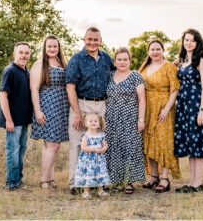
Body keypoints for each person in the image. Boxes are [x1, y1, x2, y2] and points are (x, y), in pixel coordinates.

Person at [65, 27, 114, 195]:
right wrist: (77, 113)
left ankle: (99, 181)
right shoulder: (76, 60)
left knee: (100, 143)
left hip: (101, 106)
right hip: (81, 104)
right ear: (84, 40)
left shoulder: (107, 59)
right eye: (89, 39)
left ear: (101, 40)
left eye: (96, 39)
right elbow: (70, 87)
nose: (92, 42)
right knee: (77, 145)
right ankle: (75, 183)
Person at [174, 29, 203, 193]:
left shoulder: (202, 62)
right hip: (183, 107)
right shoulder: (182, 61)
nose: (188, 43)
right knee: (191, 145)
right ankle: (191, 182)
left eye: (191, 40)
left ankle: (198, 183)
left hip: (196, 106)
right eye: (186, 40)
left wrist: (201, 110)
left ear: (197, 43)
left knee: (199, 144)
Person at [139, 40, 180, 193]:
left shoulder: (169, 67)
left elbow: (174, 89)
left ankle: (165, 178)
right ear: (148, 52)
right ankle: (154, 176)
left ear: (163, 50)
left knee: (163, 142)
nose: (155, 52)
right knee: (150, 142)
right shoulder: (144, 68)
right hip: (147, 109)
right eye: (152, 49)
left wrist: (167, 108)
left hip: (163, 109)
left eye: (158, 49)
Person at [30, 35, 69, 189]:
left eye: (55, 46)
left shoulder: (62, 63)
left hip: (61, 108)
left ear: (59, 48)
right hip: (47, 107)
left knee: (54, 146)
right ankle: (43, 180)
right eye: (49, 47)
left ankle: (51, 178)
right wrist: (38, 111)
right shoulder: (40, 64)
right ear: (44, 48)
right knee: (51, 145)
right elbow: (34, 89)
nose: (52, 49)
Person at [105, 47, 146, 194]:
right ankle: (116, 181)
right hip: (112, 118)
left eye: (125, 59)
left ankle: (129, 182)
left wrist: (141, 120)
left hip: (130, 119)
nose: (122, 62)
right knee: (114, 148)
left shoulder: (135, 76)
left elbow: (142, 99)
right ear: (115, 61)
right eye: (119, 59)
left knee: (130, 148)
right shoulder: (109, 76)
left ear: (130, 61)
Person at [0, 42, 33, 191]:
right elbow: (3, 96)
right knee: (13, 150)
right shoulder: (10, 71)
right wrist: (9, 120)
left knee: (21, 149)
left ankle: (18, 180)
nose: (24, 55)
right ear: (14, 54)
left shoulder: (26, 71)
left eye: (27, 53)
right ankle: (12, 183)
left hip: (23, 119)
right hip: (13, 120)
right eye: (21, 52)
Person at [74, 113, 110, 199]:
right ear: (86, 124)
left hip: (99, 160)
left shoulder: (101, 135)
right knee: (88, 173)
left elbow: (105, 145)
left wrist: (103, 149)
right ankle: (86, 192)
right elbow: (83, 147)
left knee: (99, 173)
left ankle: (100, 191)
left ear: (99, 123)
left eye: (95, 121)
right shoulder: (85, 136)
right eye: (90, 121)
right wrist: (94, 149)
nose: (93, 122)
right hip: (88, 160)